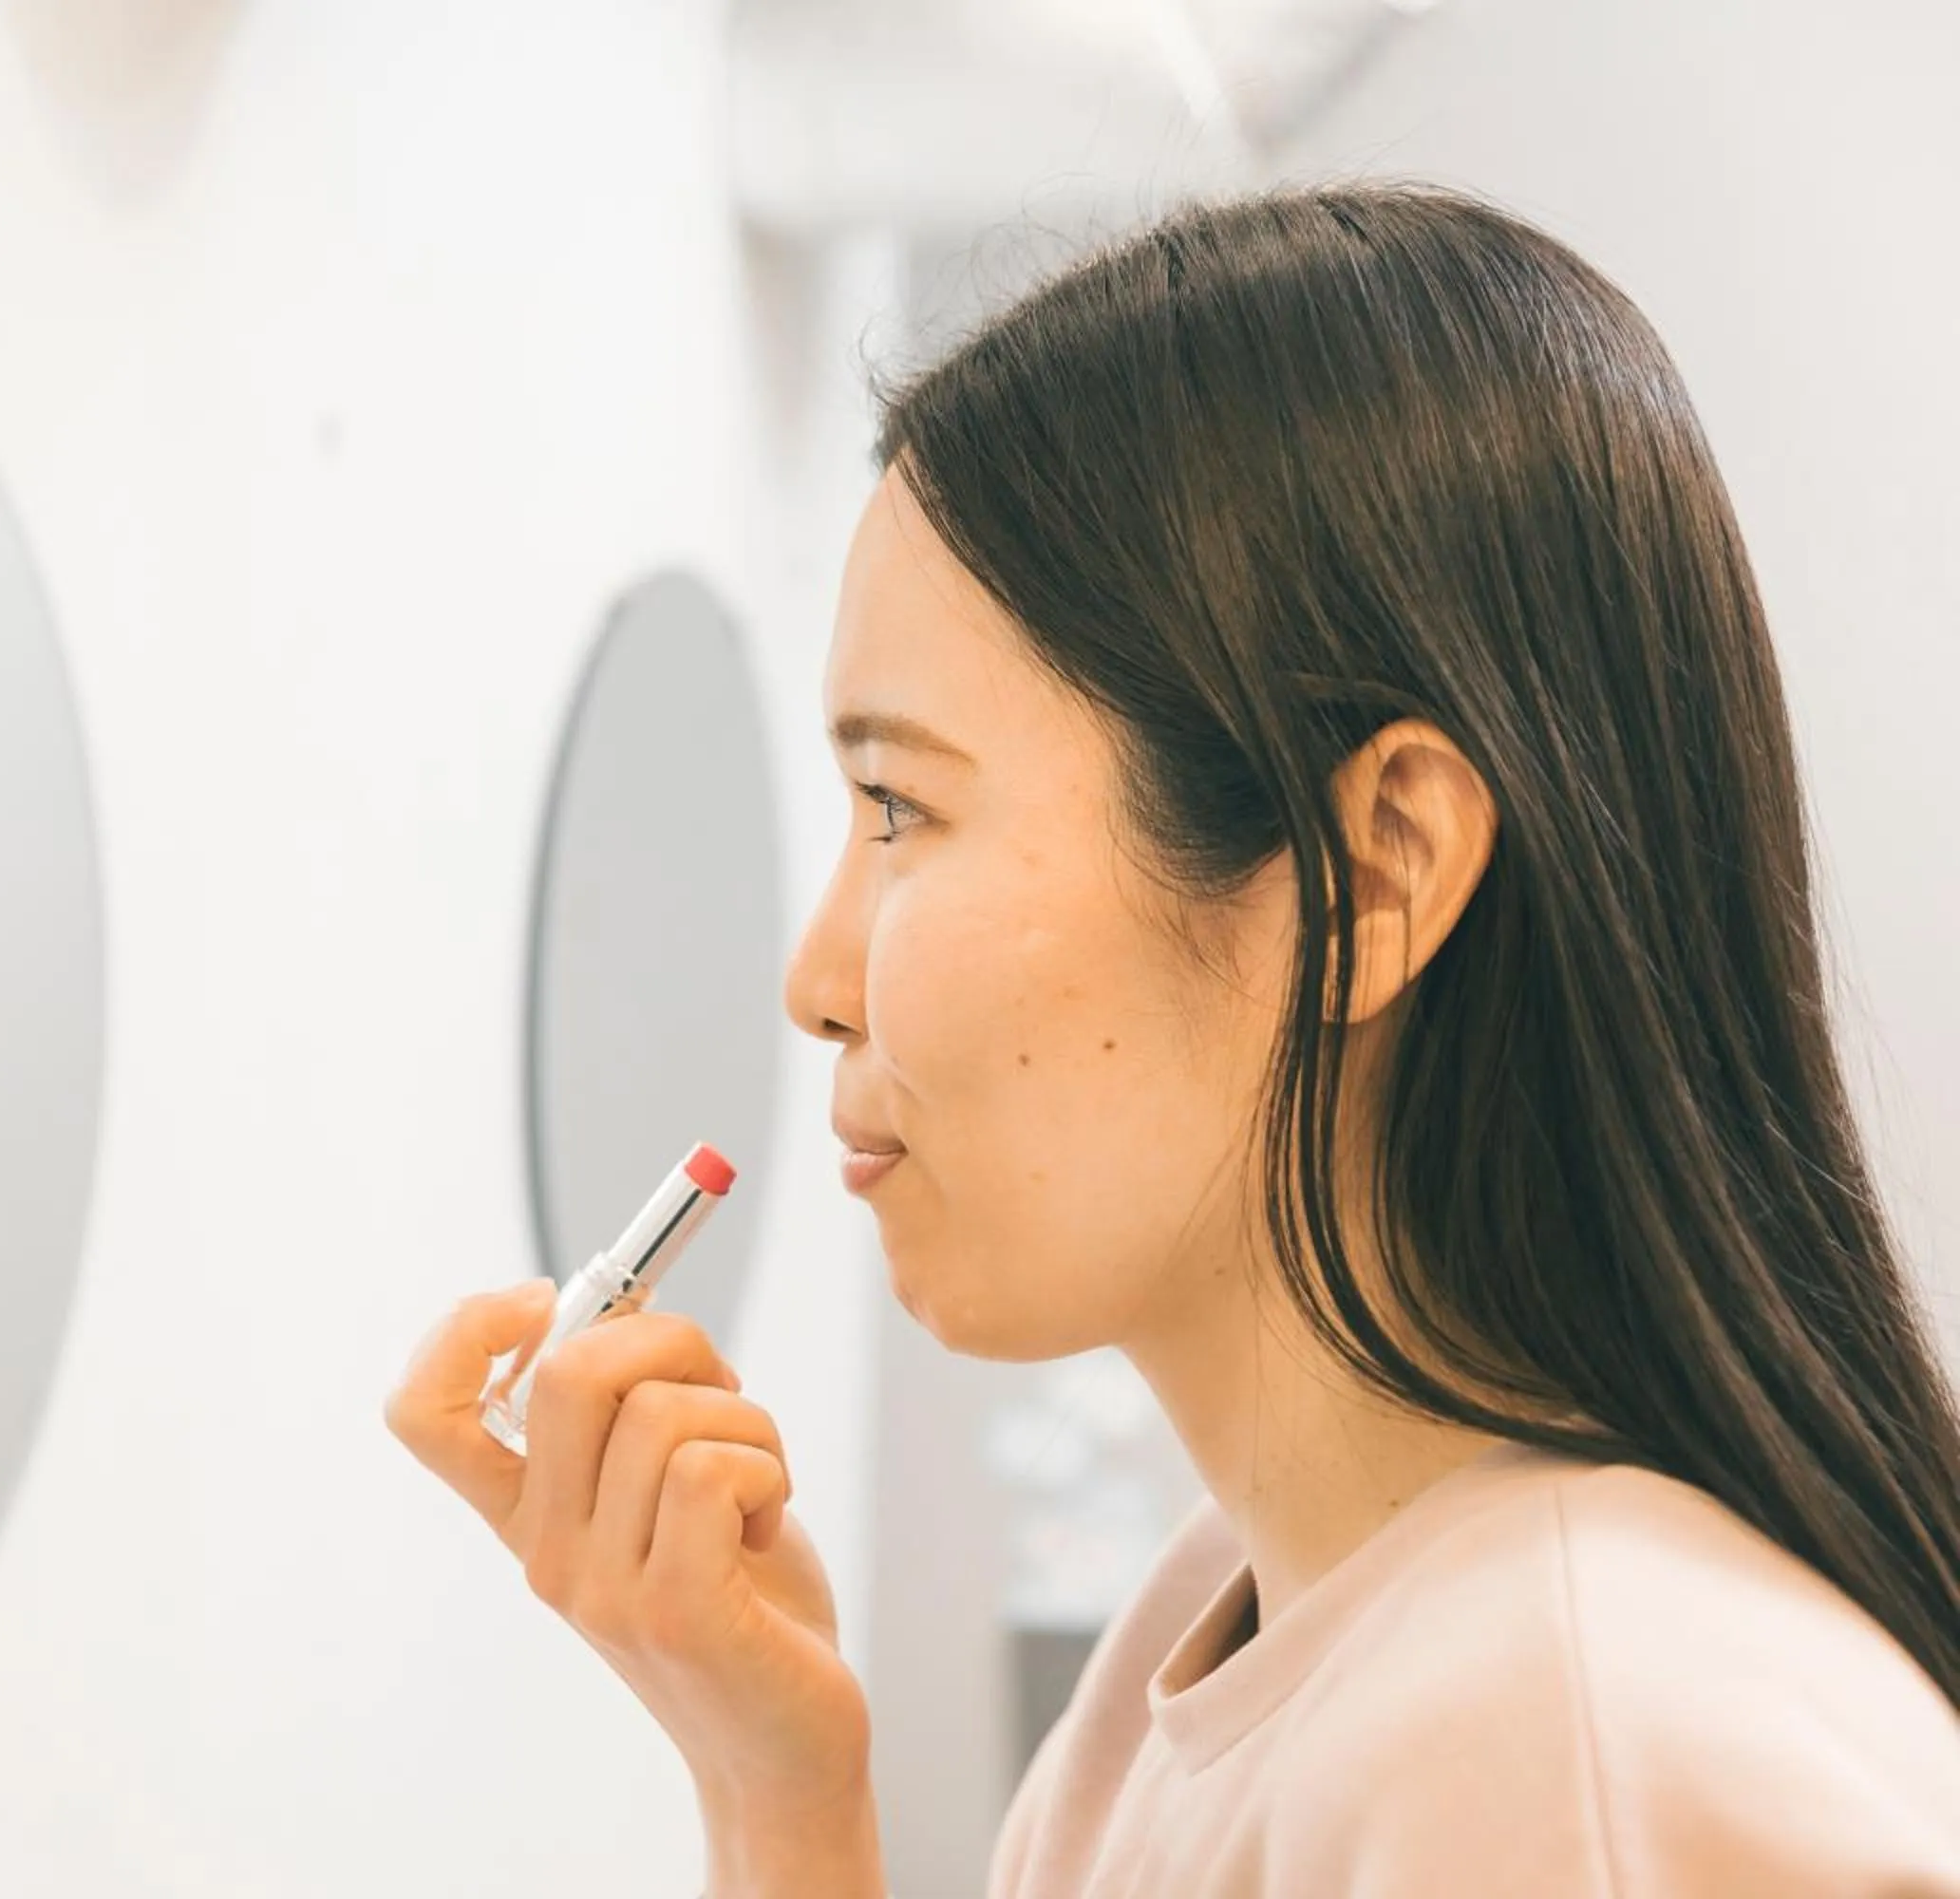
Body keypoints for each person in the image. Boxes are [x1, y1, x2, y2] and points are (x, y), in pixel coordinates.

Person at [385, 181, 1960, 1897]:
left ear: (1375, 870)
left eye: (903, 808)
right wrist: (774, 1787)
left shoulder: (1567, 1740)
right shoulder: (1222, 1646)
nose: (819, 977)